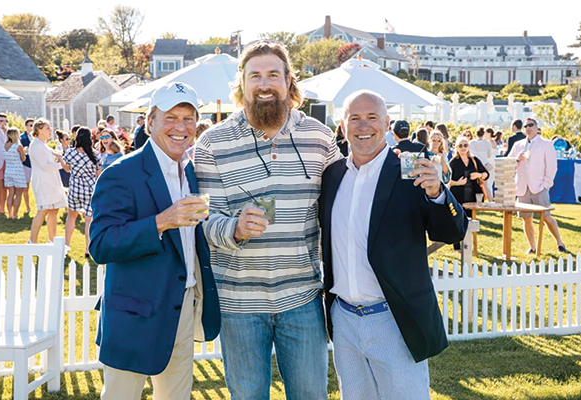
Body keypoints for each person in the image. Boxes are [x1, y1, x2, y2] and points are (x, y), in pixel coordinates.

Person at [194, 40, 340, 399]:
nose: (263, 83)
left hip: (302, 297)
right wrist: (235, 229)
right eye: (254, 75)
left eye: (273, 74)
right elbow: (204, 219)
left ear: (289, 81)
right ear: (241, 86)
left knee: (310, 395)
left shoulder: (320, 138)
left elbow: (346, 202)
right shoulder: (212, 143)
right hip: (239, 302)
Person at [319, 90, 468, 400]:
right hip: (344, 321)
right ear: (343, 126)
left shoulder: (410, 170)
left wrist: (438, 194)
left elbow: (453, 231)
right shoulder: (332, 176)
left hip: (393, 319)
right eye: (355, 119)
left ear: (386, 123)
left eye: (372, 118)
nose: (363, 127)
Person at [89, 81, 221, 400]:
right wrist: (161, 222)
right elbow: (101, 244)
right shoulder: (121, 173)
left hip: (182, 308)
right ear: (150, 123)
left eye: (188, 118)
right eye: (170, 117)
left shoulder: (190, 173)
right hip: (134, 313)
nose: (181, 127)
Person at [508, 118, 567, 254]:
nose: (528, 128)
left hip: (539, 186)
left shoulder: (546, 144)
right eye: (525, 126)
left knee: (546, 216)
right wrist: (517, 159)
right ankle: (533, 247)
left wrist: (546, 185)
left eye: (531, 125)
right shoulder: (518, 145)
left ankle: (559, 243)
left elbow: (552, 167)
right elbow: (509, 163)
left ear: (536, 127)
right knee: (526, 218)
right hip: (522, 187)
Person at [62, 127, 102, 257]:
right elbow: (98, 172)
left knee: (71, 217)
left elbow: (67, 169)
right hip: (90, 188)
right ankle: (88, 248)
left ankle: (67, 245)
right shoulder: (94, 154)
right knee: (88, 220)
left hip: (75, 187)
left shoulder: (70, 152)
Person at [28, 119, 67, 244]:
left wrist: (59, 159)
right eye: (47, 128)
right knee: (43, 210)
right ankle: (32, 241)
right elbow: (44, 166)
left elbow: (50, 163)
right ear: (39, 130)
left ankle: (52, 240)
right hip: (42, 182)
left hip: (52, 181)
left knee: (54, 210)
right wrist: (62, 164)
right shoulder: (35, 145)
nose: (50, 131)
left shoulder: (43, 144)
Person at [449, 135, 489, 250]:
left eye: (465, 145)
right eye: (460, 145)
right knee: (457, 221)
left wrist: (478, 175)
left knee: (469, 221)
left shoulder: (474, 160)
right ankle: (456, 247)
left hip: (472, 196)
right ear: (456, 147)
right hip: (457, 195)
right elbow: (447, 181)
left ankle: (468, 245)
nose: (463, 147)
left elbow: (486, 174)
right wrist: (458, 183)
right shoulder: (454, 162)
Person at [3, 127, 27, 218]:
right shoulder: (18, 146)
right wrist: (24, 152)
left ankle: (10, 214)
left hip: (8, 171)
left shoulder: (4, 146)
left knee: (10, 193)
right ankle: (15, 214)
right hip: (18, 171)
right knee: (18, 194)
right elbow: (23, 159)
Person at [469, 127, 494, 201]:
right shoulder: (487, 143)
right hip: (484, 166)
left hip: (474, 166)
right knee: (486, 186)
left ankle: (477, 201)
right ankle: (490, 201)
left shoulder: (472, 143)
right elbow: (489, 155)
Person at [20, 118, 34, 214]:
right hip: (26, 164)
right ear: (26, 127)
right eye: (30, 125)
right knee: (26, 188)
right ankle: (28, 207)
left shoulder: (37, 138)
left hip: (36, 164)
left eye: (33, 125)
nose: (32, 127)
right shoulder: (21, 138)